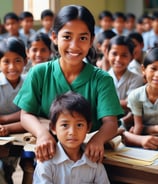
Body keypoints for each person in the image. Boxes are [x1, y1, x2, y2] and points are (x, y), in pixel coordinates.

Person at [14, 5, 123, 165]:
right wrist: (42, 133)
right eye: (67, 37)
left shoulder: (102, 79)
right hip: (48, 153)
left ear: (91, 40)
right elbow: (26, 114)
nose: (74, 45)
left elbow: (110, 122)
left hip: (88, 155)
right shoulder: (39, 73)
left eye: (83, 38)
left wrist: (98, 140)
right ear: (54, 37)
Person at [33, 91, 110, 184]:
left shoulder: (93, 161)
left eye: (79, 125)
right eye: (65, 125)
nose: (72, 132)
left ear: (88, 127)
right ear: (53, 128)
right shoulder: (47, 162)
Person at [0, 37, 27, 184]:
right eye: (6, 61)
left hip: (21, 132)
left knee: (13, 167)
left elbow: (30, 113)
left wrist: (4, 121)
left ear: (25, 60)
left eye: (17, 60)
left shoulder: (28, 81)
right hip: (2, 135)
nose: (12, 67)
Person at [122, 47, 158, 149]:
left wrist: (150, 129)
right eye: (153, 69)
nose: (157, 74)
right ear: (143, 69)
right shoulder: (136, 95)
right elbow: (138, 126)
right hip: (144, 140)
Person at [107, 35, 144, 130]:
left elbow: (131, 103)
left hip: (129, 123)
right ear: (107, 54)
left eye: (124, 55)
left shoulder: (136, 78)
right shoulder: (102, 77)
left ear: (131, 57)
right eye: (114, 54)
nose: (118, 59)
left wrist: (105, 102)